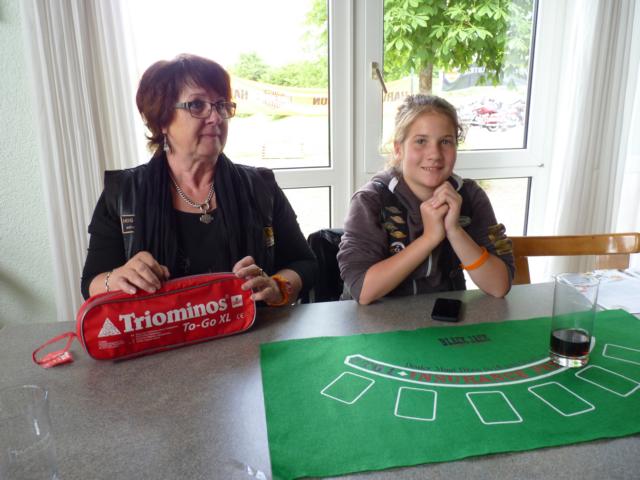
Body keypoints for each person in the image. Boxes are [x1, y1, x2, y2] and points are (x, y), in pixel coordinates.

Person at [81, 54, 317, 306]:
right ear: (162, 120)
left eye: (221, 105)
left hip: (253, 327)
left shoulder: (259, 186)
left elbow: (305, 263)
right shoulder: (123, 193)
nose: (216, 117)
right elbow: (91, 284)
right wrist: (117, 279)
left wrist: (278, 286)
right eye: (196, 105)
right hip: (160, 329)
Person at [338, 94, 514, 305]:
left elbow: (499, 286)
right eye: (421, 141)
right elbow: (363, 290)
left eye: (445, 141)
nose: (435, 154)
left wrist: (455, 231)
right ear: (398, 149)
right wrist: (429, 238)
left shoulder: (470, 196)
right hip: (376, 320)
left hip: (445, 318)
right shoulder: (371, 200)